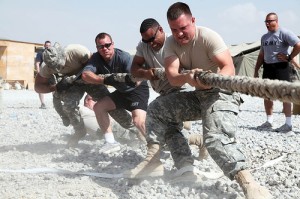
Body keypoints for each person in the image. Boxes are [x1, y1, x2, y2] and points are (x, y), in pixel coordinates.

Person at [128, 2, 272, 199]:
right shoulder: (171, 43)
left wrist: (210, 81)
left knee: (214, 139)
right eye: (175, 29)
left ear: (193, 21)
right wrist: (188, 78)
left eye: (184, 28)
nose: (179, 34)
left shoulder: (207, 36)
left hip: (222, 93)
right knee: (158, 109)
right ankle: (171, 164)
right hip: (198, 94)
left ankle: (249, 184)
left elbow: (228, 67)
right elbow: (172, 75)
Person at [126, 18, 208, 178]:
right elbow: (135, 68)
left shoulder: (174, 43)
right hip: (165, 94)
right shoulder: (144, 46)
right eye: (146, 40)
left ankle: (155, 161)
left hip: (183, 92)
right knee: (169, 131)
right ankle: (186, 164)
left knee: (157, 114)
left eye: (152, 39)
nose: (150, 44)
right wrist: (146, 73)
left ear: (161, 30)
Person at [35, 43, 136, 147]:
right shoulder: (46, 68)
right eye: (55, 68)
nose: (59, 68)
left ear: (63, 55)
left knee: (107, 104)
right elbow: (38, 87)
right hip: (71, 85)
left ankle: (133, 127)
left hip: (88, 80)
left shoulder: (76, 51)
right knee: (69, 106)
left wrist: (90, 87)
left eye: (60, 64)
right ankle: (79, 130)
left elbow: (94, 65)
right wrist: (56, 87)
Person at [81, 32, 150, 154]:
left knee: (138, 121)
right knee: (98, 107)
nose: (105, 49)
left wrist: (122, 79)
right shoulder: (96, 58)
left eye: (107, 45)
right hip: (121, 92)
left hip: (136, 91)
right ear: (97, 48)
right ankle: (110, 142)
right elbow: (85, 75)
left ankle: (157, 145)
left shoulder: (124, 57)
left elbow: (137, 80)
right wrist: (105, 80)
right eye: (100, 46)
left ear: (112, 44)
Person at [254, 12, 300, 133]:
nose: (268, 24)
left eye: (270, 21)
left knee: (285, 94)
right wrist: (256, 69)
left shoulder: (284, 33)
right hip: (268, 67)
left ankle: (288, 124)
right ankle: (269, 121)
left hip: (281, 67)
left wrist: (289, 58)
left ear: (276, 21)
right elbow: (261, 55)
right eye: (266, 22)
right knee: (267, 94)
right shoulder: (264, 37)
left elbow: (298, 45)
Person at [35, 40, 51, 109]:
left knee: (54, 87)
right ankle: (43, 103)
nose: (47, 47)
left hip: (51, 72)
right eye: (46, 45)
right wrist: (38, 72)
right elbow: (37, 63)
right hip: (42, 72)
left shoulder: (53, 54)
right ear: (44, 46)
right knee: (40, 88)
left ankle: (56, 102)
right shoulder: (40, 53)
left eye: (49, 46)